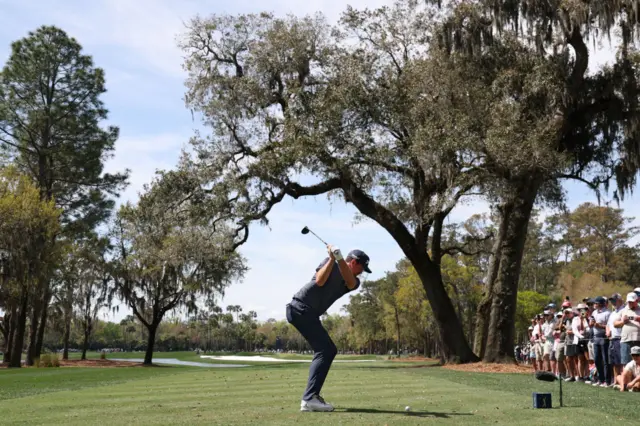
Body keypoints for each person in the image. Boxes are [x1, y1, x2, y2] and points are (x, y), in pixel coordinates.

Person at [286, 245, 371, 412]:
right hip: (300, 308)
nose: (362, 272)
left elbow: (350, 281)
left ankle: (310, 397)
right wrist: (332, 259)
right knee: (326, 350)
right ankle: (310, 398)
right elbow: (320, 281)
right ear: (354, 262)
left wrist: (339, 259)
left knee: (327, 350)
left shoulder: (354, 281)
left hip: (306, 313)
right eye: (362, 268)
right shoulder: (328, 262)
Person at [614, 292, 640, 368]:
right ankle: (627, 379)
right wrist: (623, 322)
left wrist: (639, 319)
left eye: (632, 301)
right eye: (629, 301)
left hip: (638, 340)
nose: (630, 303)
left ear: (637, 300)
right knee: (626, 363)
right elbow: (615, 324)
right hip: (626, 340)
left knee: (639, 363)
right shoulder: (623, 310)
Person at [590, 296, 611, 387]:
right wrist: (592, 324)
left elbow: (609, 326)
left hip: (604, 337)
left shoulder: (607, 313)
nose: (594, 304)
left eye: (596, 303)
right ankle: (600, 379)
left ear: (601, 304)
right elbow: (591, 323)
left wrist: (600, 326)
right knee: (597, 360)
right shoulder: (594, 312)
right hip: (596, 337)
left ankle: (607, 381)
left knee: (605, 360)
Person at [607, 293, 625, 381]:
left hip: (620, 338)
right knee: (614, 362)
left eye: (614, 300)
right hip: (612, 339)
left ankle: (622, 381)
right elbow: (608, 325)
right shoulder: (613, 312)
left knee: (621, 362)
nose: (613, 302)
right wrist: (608, 331)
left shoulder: (624, 310)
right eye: (611, 301)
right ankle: (616, 381)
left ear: (620, 300)